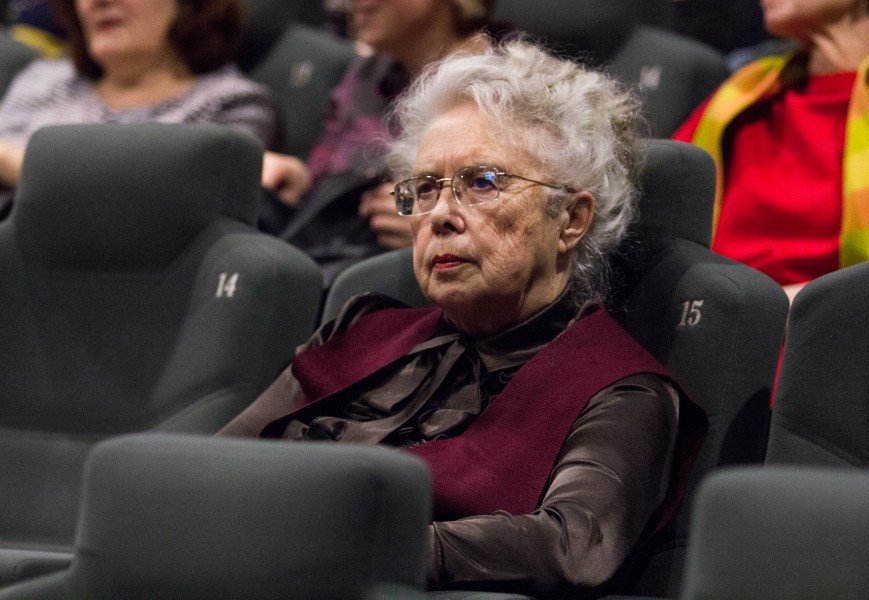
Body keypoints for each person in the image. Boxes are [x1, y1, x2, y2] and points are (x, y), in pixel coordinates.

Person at [220, 41, 705, 597]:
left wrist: (350, 545)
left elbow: (573, 544)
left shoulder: (621, 390)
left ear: (571, 219)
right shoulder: (359, 329)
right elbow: (213, 465)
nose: (442, 216)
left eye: (483, 183)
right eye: (425, 188)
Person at [674, 0, 869, 302]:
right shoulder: (742, 96)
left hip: (843, 326)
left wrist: (784, 308)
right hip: (709, 317)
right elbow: (651, 216)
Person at [260, 0, 496, 284]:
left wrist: (428, 220)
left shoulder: (507, 84)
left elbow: (511, 207)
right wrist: (301, 178)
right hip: (335, 259)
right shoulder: (366, 74)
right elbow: (330, 172)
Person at [0, 0, 277, 217]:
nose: (99, 1)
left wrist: (11, 161)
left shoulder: (234, 103)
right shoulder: (44, 78)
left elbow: (161, 205)